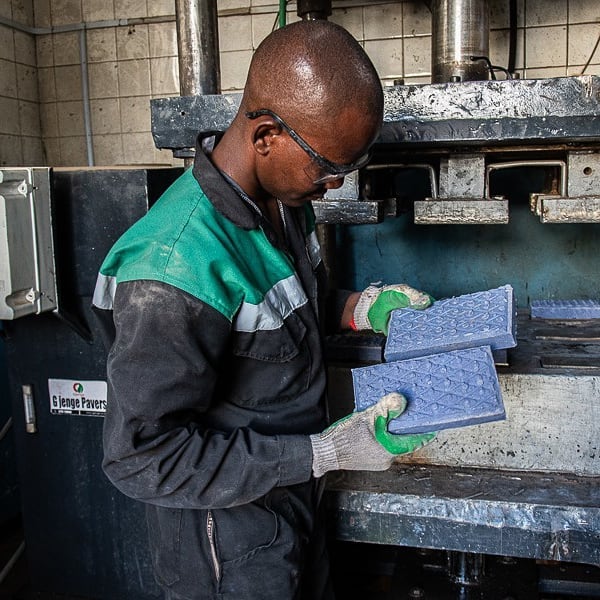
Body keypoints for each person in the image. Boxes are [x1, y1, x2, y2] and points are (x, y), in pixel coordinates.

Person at [92, 19, 434, 600]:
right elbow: (141, 456)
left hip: (292, 500)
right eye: (329, 166)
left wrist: (359, 307)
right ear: (267, 134)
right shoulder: (175, 267)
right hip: (227, 544)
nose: (333, 184)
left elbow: (278, 313)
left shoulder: (283, 201)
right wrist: (319, 452)